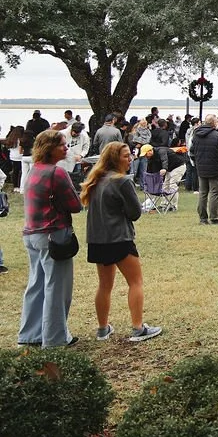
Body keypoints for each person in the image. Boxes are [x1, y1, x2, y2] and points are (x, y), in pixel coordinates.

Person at [81, 142, 162, 342]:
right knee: (135, 282)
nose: (130, 159)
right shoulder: (122, 181)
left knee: (104, 285)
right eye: (126, 156)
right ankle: (138, 328)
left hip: (97, 240)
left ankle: (102, 329)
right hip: (119, 238)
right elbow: (135, 213)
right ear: (115, 159)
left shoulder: (95, 180)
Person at [18, 130, 83, 347]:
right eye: (62, 145)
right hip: (53, 235)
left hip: (31, 234)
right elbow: (75, 205)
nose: (66, 148)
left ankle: (30, 335)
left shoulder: (33, 170)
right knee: (57, 288)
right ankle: (55, 339)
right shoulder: (57, 173)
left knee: (36, 285)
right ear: (49, 148)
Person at [189, 114, 218, 225]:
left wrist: (197, 164)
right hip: (216, 169)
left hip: (201, 169)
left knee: (202, 193)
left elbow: (191, 153)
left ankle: (202, 218)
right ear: (214, 123)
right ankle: (214, 218)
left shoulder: (195, 136)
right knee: (214, 193)